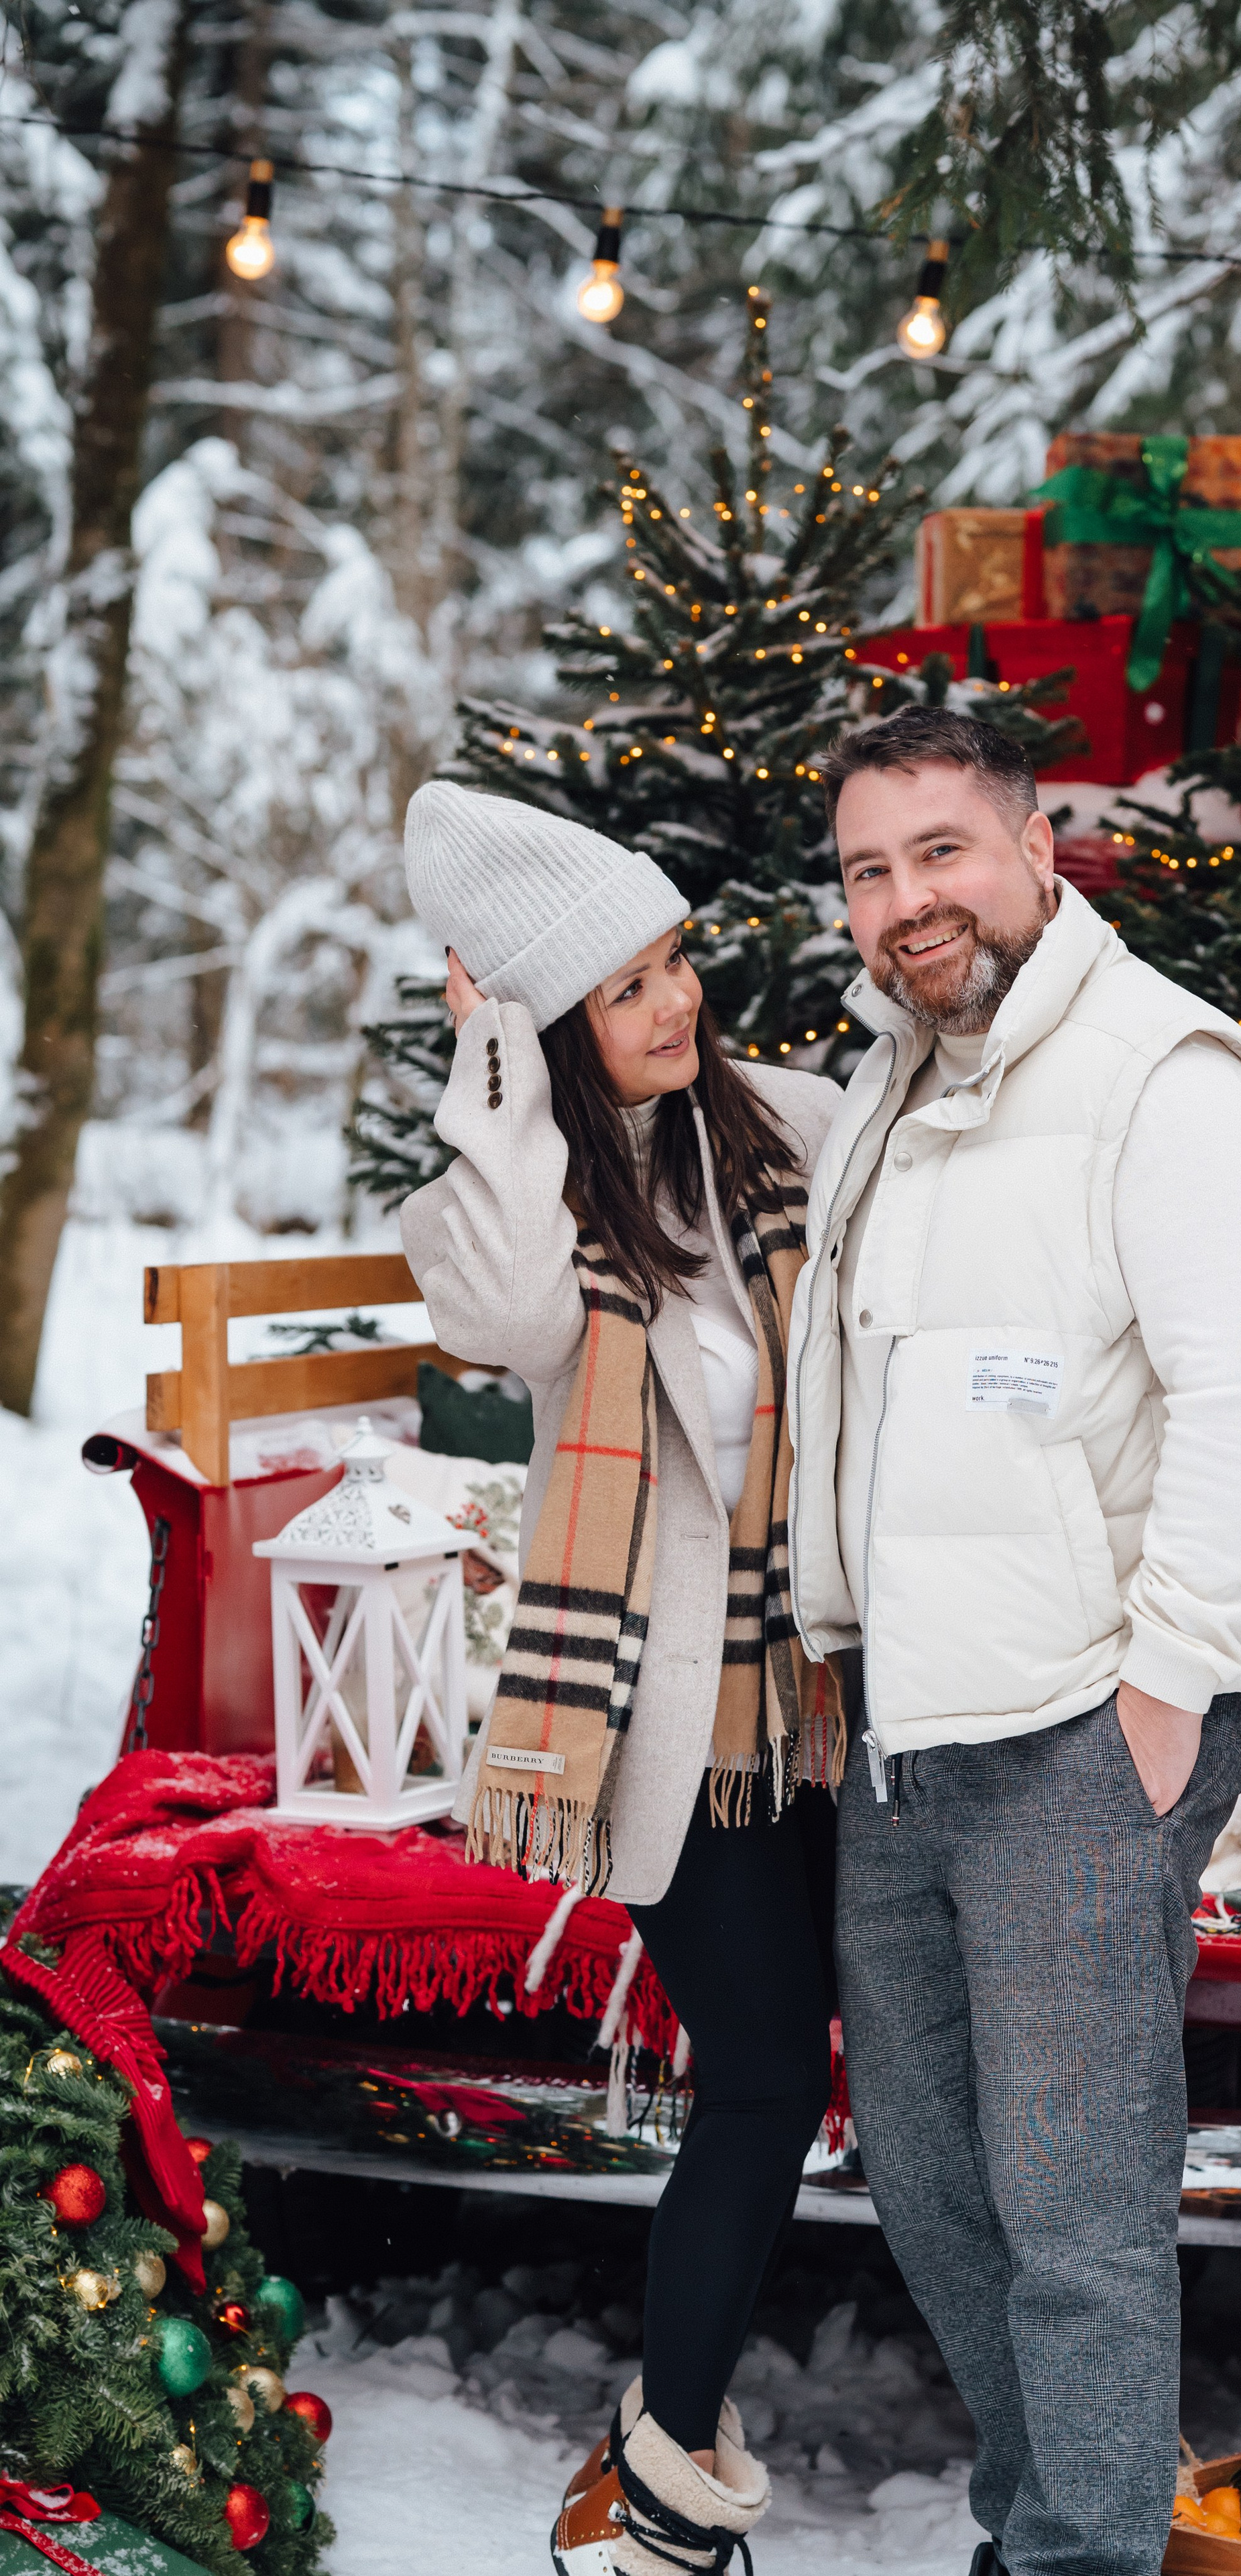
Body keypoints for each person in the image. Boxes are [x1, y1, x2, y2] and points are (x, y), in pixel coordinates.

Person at [784, 708, 1241, 2576]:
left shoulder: (1165, 1076)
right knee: (934, 2187)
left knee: (1075, 2206)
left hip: (1085, 1725)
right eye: (867, 869)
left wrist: (1162, 1701)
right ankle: (1053, 2528)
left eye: (939, 851)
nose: (904, 900)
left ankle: (1078, 2552)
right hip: (910, 1725)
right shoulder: (893, 1089)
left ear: (1035, 847)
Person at [397, 779, 843, 2576]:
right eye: (626, 988)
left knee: (826, 2058)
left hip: (826, 1693)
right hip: (673, 1720)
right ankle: (667, 2470)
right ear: (549, 1027)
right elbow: (498, 1318)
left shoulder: (791, 1131)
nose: (677, 1004)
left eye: (677, 960)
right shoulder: (522, 1206)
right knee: (757, 2078)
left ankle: (670, 2442)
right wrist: (500, 1088)